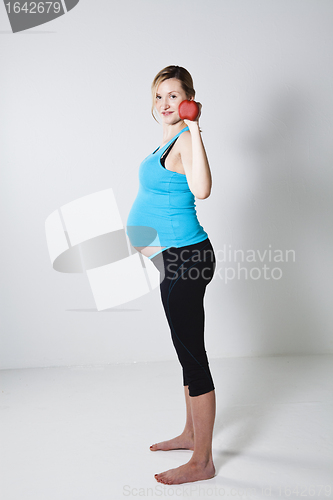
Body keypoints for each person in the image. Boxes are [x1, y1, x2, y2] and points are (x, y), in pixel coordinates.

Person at [126, 65, 216, 485]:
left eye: (174, 95)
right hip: (172, 259)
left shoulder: (185, 139)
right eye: (160, 96)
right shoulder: (164, 141)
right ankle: (189, 433)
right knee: (185, 352)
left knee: (194, 358)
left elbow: (201, 189)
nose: (166, 103)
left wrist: (196, 127)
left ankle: (202, 461)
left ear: (188, 100)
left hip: (187, 259)